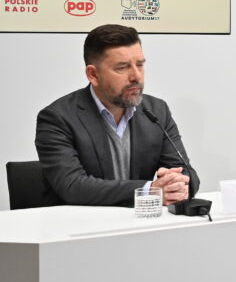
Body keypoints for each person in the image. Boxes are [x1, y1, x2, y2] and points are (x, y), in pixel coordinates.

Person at [34, 24, 198, 206]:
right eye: (122, 67)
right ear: (93, 74)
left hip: (138, 221)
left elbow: (186, 173)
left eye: (140, 65)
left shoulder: (156, 111)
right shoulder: (57, 118)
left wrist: (177, 184)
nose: (136, 76)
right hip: (78, 221)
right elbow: (73, 186)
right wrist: (148, 191)